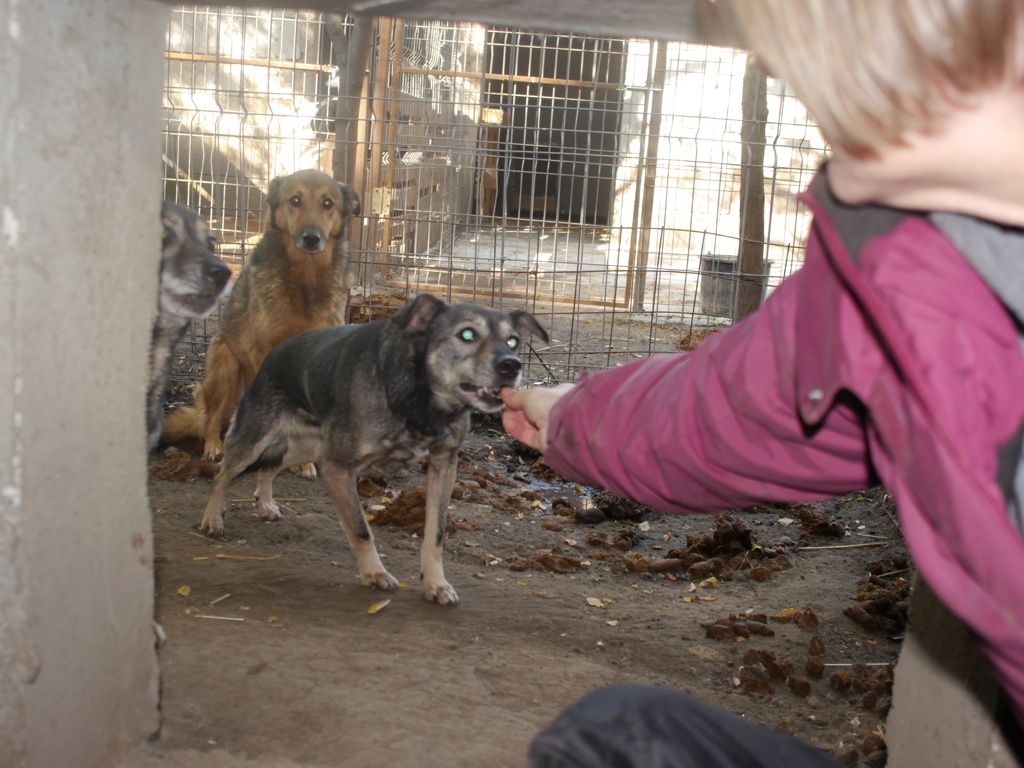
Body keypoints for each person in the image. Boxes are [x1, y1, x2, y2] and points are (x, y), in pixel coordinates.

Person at [501, 1, 1024, 765]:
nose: (776, 64)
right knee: (611, 739)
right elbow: (744, 404)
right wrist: (577, 414)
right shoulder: (898, 239)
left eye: (785, 31)